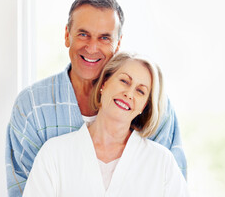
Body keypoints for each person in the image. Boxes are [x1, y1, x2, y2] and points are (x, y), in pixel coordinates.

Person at [6, 0, 187, 196]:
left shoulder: (158, 116)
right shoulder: (33, 109)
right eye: (83, 34)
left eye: (104, 38)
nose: (92, 48)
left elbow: (167, 181)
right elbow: (22, 187)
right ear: (67, 35)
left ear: (118, 44)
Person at [23, 52, 190, 196]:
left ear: (144, 106)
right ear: (104, 83)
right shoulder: (54, 154)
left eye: (140, 91)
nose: (129, 93)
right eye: (124, 81)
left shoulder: (161, 162)